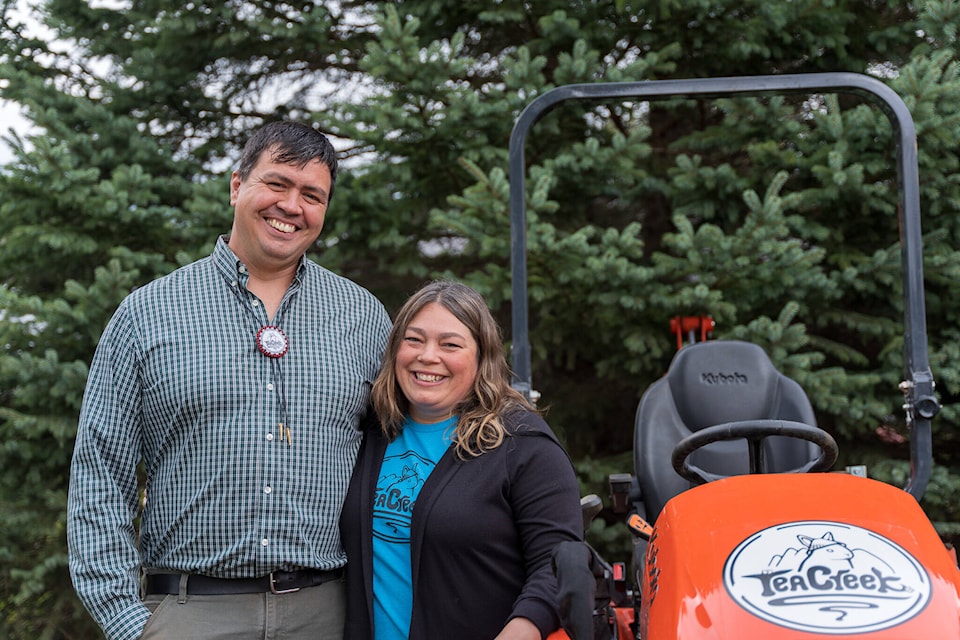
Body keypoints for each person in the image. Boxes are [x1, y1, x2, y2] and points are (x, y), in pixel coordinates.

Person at [66, 120, 392, 640]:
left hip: (327, 613)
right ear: (238, 185)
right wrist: (129, 621)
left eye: (313, 195)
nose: (292, 206)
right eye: (277, 183)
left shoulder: (364, 318)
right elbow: (101, 474)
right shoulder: (147, 313)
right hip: (189, 612)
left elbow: (411, 449)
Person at [340, 279, 583, 640]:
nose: (428, 356)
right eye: (414, 339)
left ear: (482, 357)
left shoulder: (523, 444)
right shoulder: (370, 431)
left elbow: (558, 564)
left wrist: (523, 629)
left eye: (450, 344)